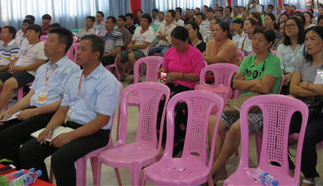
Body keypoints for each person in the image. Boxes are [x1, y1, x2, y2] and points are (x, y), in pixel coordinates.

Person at [18, 35, 122, 186]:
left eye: (83, 49)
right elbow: (62, 110)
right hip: (70, 125)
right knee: (28, 150)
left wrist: (70, 136)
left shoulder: (107, 81)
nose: (77, 53)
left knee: (60, 159)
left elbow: (102, 120)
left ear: (96, 54)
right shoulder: (75, 77)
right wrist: (48, 129)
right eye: (78, 48)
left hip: (95, 132)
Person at [0, 27, 80, 166]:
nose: (45, 44)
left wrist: (33, 112)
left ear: (62, 46)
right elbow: (30, 95)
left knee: (7, 136)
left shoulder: (71, 69)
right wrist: (10, 111)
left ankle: (16, 175)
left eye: (50, 41)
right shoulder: (43, 68)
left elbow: (65, 103)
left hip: (50, 114)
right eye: (46, 40)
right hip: (31, 110)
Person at [208, 28, 281, 180]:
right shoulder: (248, 59)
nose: (256, 43)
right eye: (254, 39)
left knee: (236, 127)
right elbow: (235, 83)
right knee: (212, 122)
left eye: (260, 40)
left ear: (269, 44)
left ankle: (213, 170)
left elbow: (265, 88)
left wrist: (246, 83)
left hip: (262, 107)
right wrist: (255, 82)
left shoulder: (273, 61)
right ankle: (220, 169)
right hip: (241, 103)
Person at [289, 26, 323, 185]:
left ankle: (309, 176)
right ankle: (289, 167)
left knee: (307, 135)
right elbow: (293, 88)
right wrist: (317, 88)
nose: (308, 43)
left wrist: (305, 85)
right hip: (303, 109)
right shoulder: (302, 60)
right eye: (306, 39)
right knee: (274, 127)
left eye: (313, 39)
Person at [158, 26, 206, 155]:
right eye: (173, 44)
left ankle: (176, 144)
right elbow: (163, 73)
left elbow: (197, 76)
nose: (175, 47)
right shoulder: (169, 52)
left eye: (178, 44)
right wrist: (162, 74)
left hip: (187, 87)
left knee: (177, 107)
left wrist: (179, 75)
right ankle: (160, 143)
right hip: (170, 85)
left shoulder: (195, 53)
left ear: (186, 40)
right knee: (158, 102)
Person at [0, 25, 47, 115]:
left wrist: (21, 68)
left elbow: (41, 63)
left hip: (29, 73)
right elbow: (17, 58)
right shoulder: (25, 44)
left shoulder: (42, 46)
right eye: (26, 32)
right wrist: (12, 66)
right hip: (17, 69)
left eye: (30, 32)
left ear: (38, 33)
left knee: (8, 84)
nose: (27, 34)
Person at [115, 14, 156, 79]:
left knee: (130, 56)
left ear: (149, 24)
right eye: (141, 21)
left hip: (142, 52)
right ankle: (122, 74)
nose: (142, 22)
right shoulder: (137, 29)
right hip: (133, 50)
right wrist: (130, 47)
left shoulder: (150, 33)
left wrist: (132, 46)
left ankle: (137, 76)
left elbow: (144, 45)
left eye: (144, 21)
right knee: (118, 56)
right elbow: (133, 40)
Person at [276, 17, 306, 94]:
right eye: (287, 26)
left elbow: (307, 65)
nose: (288, 28)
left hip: (303, 76)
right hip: (286, 78)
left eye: (292, 25)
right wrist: (283, 77)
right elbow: (280, 67)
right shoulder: (281, 47)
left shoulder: (306, 45)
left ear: (299, 28)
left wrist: (292, 75)